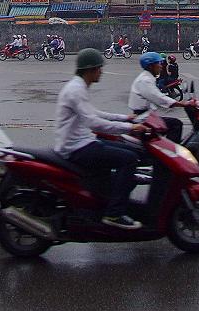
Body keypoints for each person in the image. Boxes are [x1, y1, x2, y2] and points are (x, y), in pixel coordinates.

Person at [55, 48, 147, 230]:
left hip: (83, 142)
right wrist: (130, 127)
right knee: (129, 159)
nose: (101, 72)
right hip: (76, 148)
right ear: (90, 70)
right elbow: (94, 122)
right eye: (99, 68)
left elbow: (94, 113)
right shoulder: (76, 90)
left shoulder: (79, 86)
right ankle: (114, 214)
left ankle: (106, 199)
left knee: (130, 151)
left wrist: (124, 118)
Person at [128, 53, 195, 143]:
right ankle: (172, 153)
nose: (161, 66)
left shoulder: (148, 77)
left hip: (148, 117)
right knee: (176, 124)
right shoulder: (145, 80)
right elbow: (159, 98)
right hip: (143, 119)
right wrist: (181, 103)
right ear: (151, 66)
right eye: (158, 63)